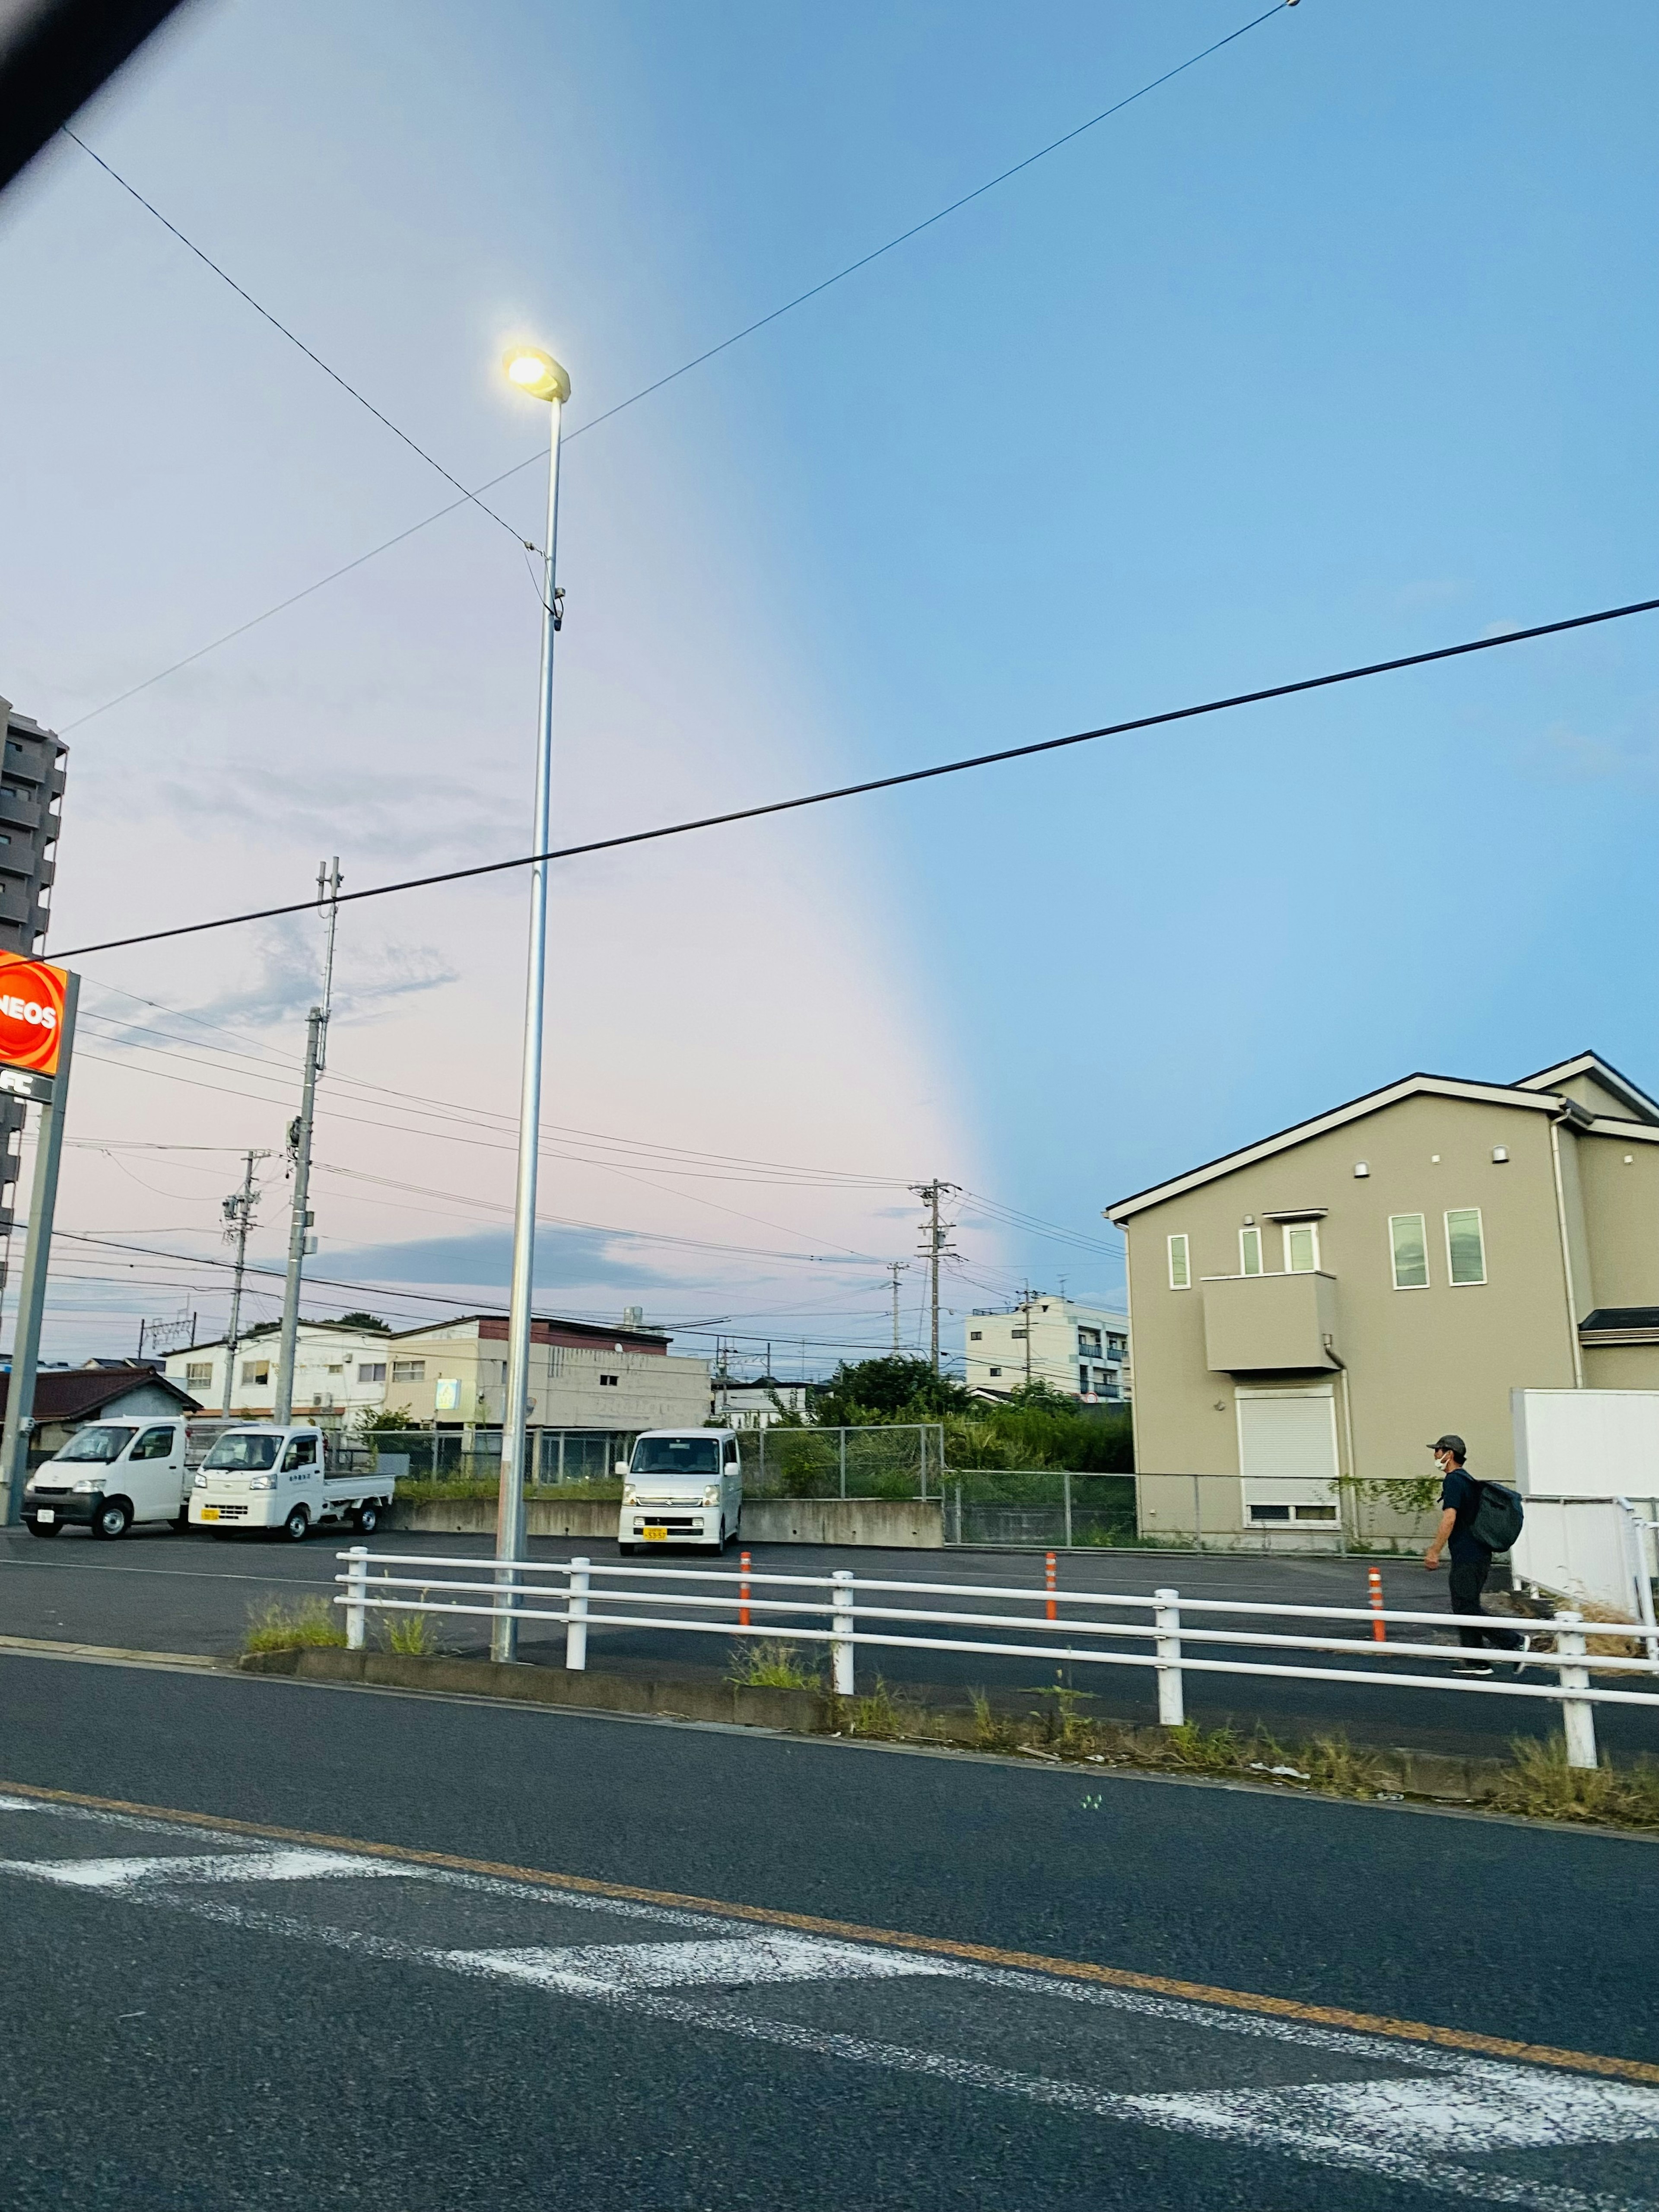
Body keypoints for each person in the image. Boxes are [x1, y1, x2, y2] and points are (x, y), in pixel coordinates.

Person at [1422, 1434, 1528, 1675]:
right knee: (1465, 1605)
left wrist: (1434, 1551)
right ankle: (1475, 1661)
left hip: (1469, 1556)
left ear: (1449, 1454)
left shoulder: (1454, 1481)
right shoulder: (1467, 1481)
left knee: (1466, 1607)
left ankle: (1514, 1643)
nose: (1435, 1455)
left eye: (1438, 1450)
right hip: (1476, 1554)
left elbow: (1450, 1518)